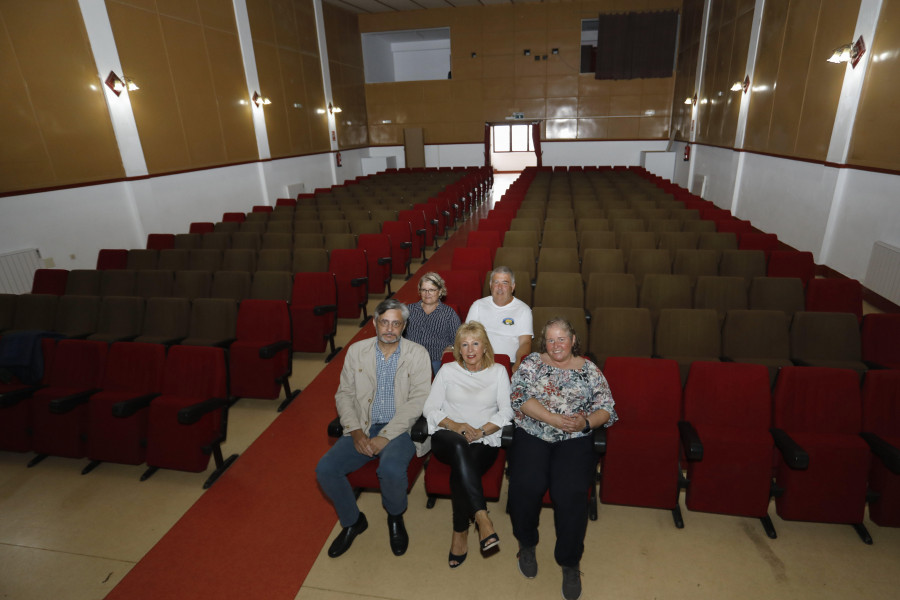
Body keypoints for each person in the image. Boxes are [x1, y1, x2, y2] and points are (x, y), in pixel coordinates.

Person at [507, 317, 617, 600]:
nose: (556, 345)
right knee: (527, 484)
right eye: (551, 339)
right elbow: (519, 396)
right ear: (545, 342)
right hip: (534, 431)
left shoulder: (589, 369)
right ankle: (527, 543)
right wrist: (553, 418)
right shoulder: (532, 362)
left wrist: (586, 423)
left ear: (573, 341)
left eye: (562, 339)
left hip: (575, 438)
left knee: (570, 493)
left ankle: (569, 561)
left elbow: (607, 407)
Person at [315, 298, 432, 558]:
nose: (389, 329)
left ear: (404, 326)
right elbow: (344, 394)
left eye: (396, 324)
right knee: (325, 469)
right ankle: (353, 521)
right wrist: (355, 431)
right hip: (363, 425)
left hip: (399, 428)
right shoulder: (357, 351)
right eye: (384, 322)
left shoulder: (418, 354)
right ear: (375, 322)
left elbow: (418, 401)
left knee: (390, 470)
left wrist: (386, 436)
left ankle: (394, 516)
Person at [422, 321, 513, 568]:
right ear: (458, 350)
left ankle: (460, 531)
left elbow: (507, 411)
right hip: (448, 437)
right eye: (464, 344)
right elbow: (429, 408)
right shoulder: (448, 370)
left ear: (485, 347)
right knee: (460, 447)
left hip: (485, 439)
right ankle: (482, 517)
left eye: (475, 343)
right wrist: (456, 425)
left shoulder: (498, 372)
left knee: (464, 466)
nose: (470, 349)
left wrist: (481, 430)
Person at [465, 266, 532, 372]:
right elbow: (466, 336)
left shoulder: (523, 310)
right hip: (480, 361)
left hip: (508, 364)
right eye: (496, 282)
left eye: (505, 283)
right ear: (490, 285)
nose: (500, 287)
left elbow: (525, 343)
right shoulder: (478, 305)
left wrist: (518, 364)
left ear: (512, 287)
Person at [405, 271, 461, 375]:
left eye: (431, 290)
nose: (427, 294)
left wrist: (451, 347)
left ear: (440, 291)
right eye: (424, 290)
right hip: (411, 358)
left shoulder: (449, 314)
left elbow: (458, 339)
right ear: (419, 291)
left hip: (436, 360)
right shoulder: (408, 310)